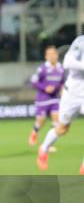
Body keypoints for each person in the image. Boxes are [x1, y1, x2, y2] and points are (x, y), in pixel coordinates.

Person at [37, 37, 84, 174]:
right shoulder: (81, 42)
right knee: (62, 128)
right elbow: (67, 62)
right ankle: (43, 149)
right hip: (72, 94)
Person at [28, 46, 65, 148]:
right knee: (41, 120)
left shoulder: (61, 68)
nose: (52, 56)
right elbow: (34, 82)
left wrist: (62, 90)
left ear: (57, 55)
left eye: (54, 54)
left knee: (56, 121)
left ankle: (47, 145)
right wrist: (45, 88)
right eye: (50, 54)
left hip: (54, 98)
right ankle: (35, 131)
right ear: (46, 57)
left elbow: (62, 82)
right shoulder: (42, 68)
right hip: (43, 99)